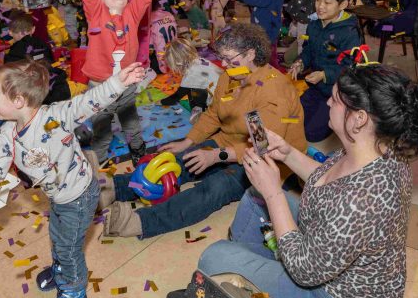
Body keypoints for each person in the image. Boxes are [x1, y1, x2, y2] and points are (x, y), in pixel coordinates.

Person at [190, 64, 418, 298]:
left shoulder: (362, 199)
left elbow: (303, 270)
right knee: (253, 198)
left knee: (215, 257)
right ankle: (244, 285)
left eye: (335, 100)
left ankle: (242, 285)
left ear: (359, 119)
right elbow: (327, 179)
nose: (327, 102)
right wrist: (287, 152)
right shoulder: (376, 149)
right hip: (324, 262)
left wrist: (274, 192)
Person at [0, 60, 148, 298]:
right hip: (58, 197)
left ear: (18, 100)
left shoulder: (56, 116)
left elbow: (90, 101)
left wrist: (119, 81)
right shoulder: (4, 137)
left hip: (81, 195)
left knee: (69, 247)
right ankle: (61, 268)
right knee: (59, 236)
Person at [101, 23, 306, 238]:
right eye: (222, 58)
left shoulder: (272, 90)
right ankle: (114, 188)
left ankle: (140, 222)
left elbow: (262, 145)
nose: (224, 65)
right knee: (182, 160)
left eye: (229, 58)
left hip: (267, 160)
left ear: (251, 54)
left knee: (215, 186)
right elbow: (214, 113)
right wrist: (188, 142)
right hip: (230, 142)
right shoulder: (232, 75)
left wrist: (217, 156)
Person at [72, 0, 164, 165]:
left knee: (131, 122)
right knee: (102, 130)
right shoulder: (96, 15)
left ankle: (138, 150)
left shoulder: (131, 16)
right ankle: (98, 162)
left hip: (126, 85)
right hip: (101, 85)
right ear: (101, 1)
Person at [289, 0, 362, 142]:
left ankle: (345, 112)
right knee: (292, 120)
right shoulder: (314, 25)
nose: (320, 6)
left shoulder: (350, 32)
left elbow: (351, 67)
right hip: (315, 87)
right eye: (318, 0)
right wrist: (300, 62)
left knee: (311, 134)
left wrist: (324, 74)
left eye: (327, 2)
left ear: (343, 4)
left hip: (335, 92)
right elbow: (308, 50)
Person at [4, 11, 71, 104]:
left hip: (34, 97)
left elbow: (9, 77)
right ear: (33, 29)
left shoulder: (13, 52)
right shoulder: (43, 44)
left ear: (10, 32)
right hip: (57, 91)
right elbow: (51, 63)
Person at [159, 37, 223, 112]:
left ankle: (200, 111)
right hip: (223, 92)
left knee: (192, 90)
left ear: (178, 63)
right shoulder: (200, 61)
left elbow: (177, 96)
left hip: (218, 103)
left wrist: (162, 102)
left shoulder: (191, 73)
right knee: (193, 87)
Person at [148, 0, 178, 73]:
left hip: (160, 57)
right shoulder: (169, 14)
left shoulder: (150, 18)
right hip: (174, 52)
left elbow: (150, 45)